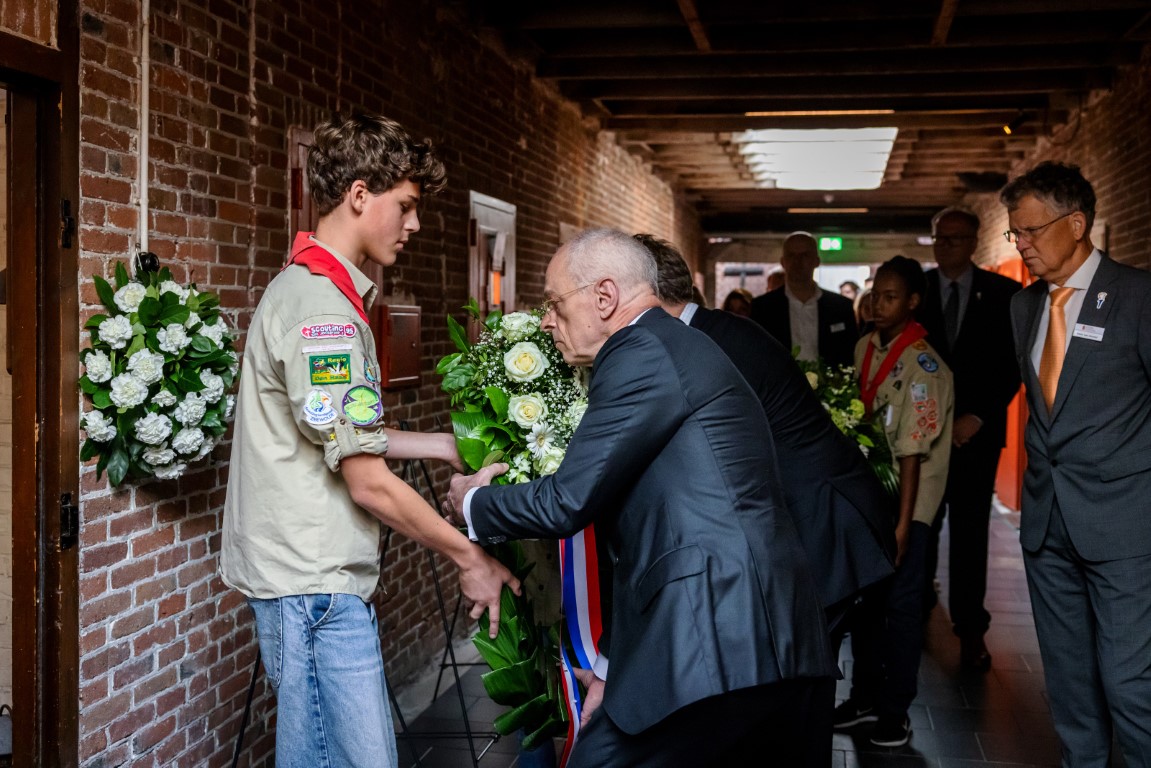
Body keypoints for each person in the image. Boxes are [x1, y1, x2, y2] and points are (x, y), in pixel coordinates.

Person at [445, 228, 835, 768]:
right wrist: (609, 668)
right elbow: (653, 537)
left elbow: (567, 500)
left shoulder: (640, 351)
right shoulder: (667, 345)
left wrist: (471, 503)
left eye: (555, 303)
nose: (545, 320)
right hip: (759, 634)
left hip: (717, 638)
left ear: (604, 297)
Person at [220, 114, 519, 768]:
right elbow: (364, 479)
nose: (413, 225)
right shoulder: (323, 311)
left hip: (307, 582)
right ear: (359, 195)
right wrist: (466, 555)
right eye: (405, 206)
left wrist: (440, 444)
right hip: (313, 587)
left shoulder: (311, 290)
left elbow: (339, 432)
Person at [1002, 161, 1151, 765]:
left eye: (1031, 231)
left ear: (1078, 223)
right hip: (1046, 524)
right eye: (1016, 234)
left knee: (1130, 683)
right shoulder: (1023, 307)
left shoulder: (1139, 297)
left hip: (1124, 526)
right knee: (1068, 683)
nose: (1023, 245)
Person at [835, 256, 954, 748]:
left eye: (889, 297)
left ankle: (894, 710)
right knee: (865, 603)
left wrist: (904, 526)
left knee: (902, 608)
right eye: (874, 294)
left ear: (911, 302)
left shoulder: (925, 364)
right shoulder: (865, 345)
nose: (877, 304)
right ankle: (863, 698)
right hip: (872, 499)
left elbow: (910, 453)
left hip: (910, 505)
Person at [916, 206, 1022, 671]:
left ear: (974, 242)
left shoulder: (1003, 295)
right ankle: (916, 608)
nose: (946, 246)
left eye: (956, 239)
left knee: (970, 531)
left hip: (976, 437)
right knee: (922, 525)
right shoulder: (916, 291)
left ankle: (970, 627)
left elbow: (1012, 366)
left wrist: (977, 416)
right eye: (940, 238)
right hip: (922, 435)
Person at [750, 231, 858, 367]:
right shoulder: (763, 307)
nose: (797, 261)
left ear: (817, 261)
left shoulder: (841, 307)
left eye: (805, 255)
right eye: (791, 255)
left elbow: (851, 353)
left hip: (832, 385)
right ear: (783, 262)